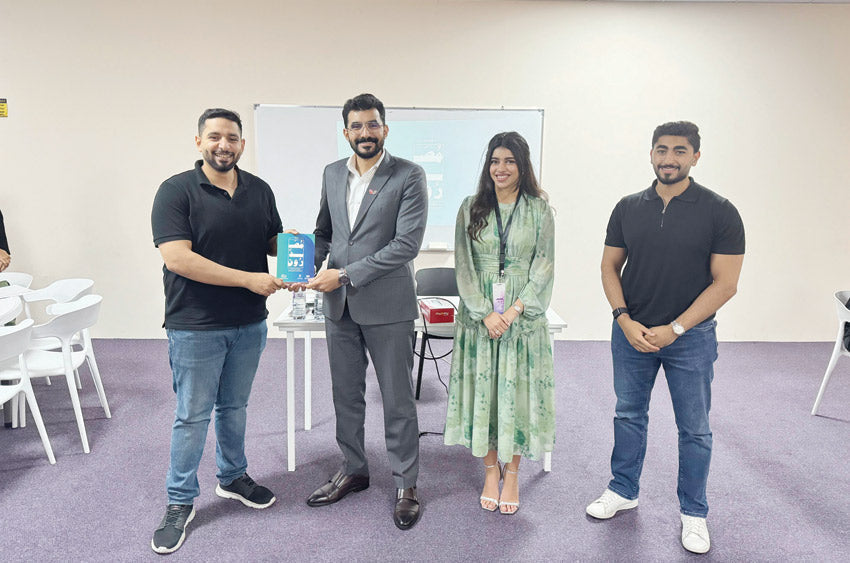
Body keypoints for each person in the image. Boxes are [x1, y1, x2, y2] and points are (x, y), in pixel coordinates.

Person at [587, 121, 745, 554]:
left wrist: (675, 329)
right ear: (651, 153)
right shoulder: (628, 207)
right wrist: (623, 320)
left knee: (694, 429)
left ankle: (694, 513)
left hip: (690, 339)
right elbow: (609, 267)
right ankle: (623, 489)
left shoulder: (720, 211)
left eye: (679, 151)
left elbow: (725, 284)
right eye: (661, 149)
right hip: (632, 333)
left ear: (695, 156)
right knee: (628, 415)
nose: (668, 158)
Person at [150, 108, 287, 554]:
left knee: (234, 407)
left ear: (242, 144)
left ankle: (232, 477)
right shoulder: (175, 191)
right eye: (214, 137)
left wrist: (296, 249)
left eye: (231, 137)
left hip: (249, 323)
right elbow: (178, 259)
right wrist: (248, 278)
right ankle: (179, 501)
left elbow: (272, 240)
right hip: (196, 325)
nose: (223, 145)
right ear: (199, 142)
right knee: (192, 416)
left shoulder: (259, 190)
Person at [299, 93, 428, 530]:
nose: (365, 133)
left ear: (385, 129)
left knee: (396, 400)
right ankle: (354, 468)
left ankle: (406, 482)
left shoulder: (409, 175)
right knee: (346, 397)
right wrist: (301, 260)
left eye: (372, 125)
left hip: (387, 305)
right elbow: (325, 232)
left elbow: (405, 246)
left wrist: (345, 274)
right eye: (356, 126)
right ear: (346, 132)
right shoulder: (332, 173)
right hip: (339, 308)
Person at [443, 131, 555, 515]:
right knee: (486, 394)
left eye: (509, 161)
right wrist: (484, 312)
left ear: (522, 167)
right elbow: (463, 264)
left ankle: (514, 473)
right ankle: (491, 469)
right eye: (494, 161)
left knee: (517, 396)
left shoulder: (540, 210)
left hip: (521, 321)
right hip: (480, 319)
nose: (500, 168)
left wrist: (513, 310)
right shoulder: (469, 206)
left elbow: (544, 264)